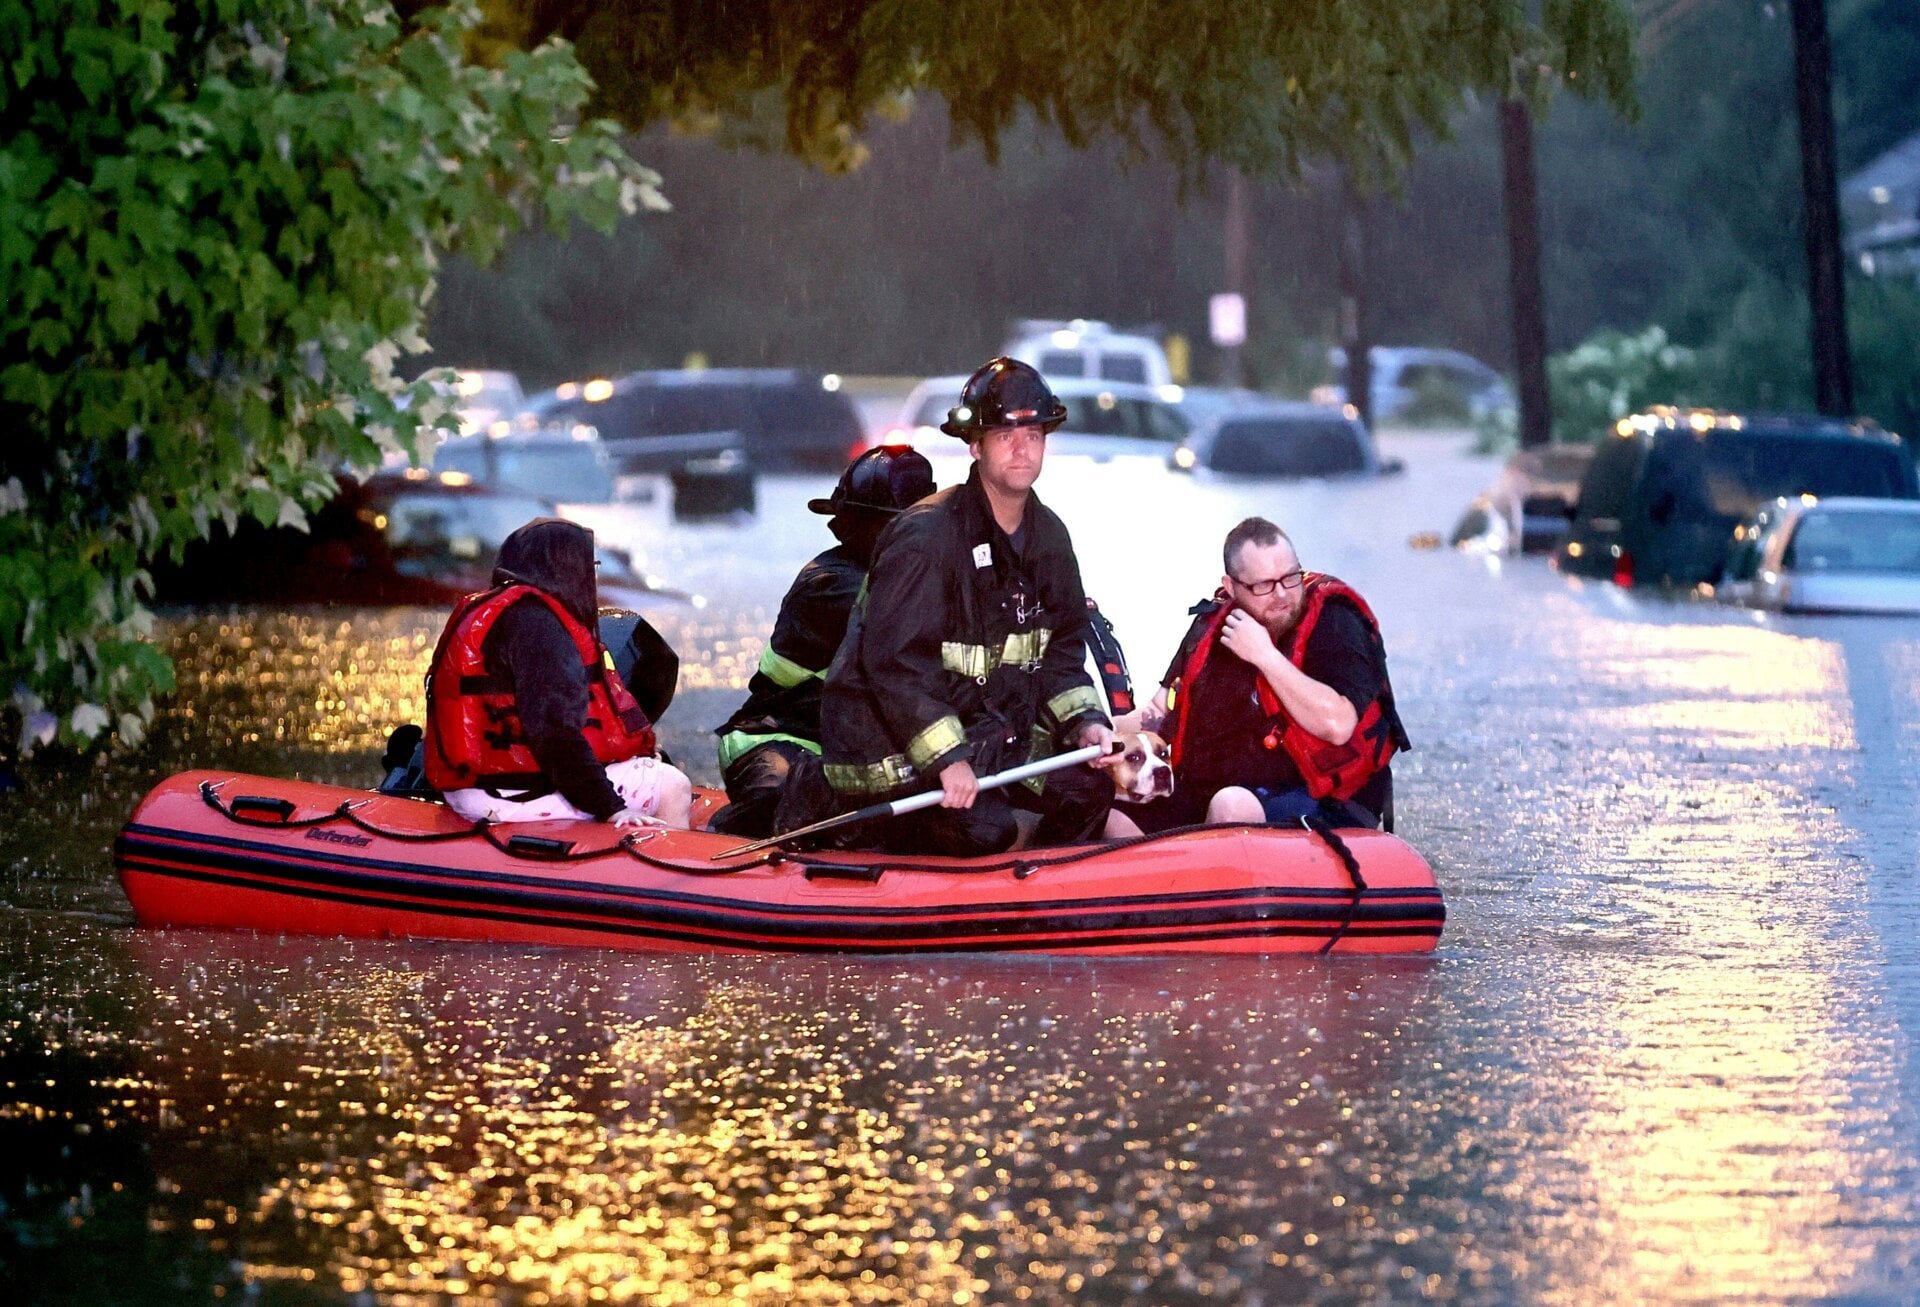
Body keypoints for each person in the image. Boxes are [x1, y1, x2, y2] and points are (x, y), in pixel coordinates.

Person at [778, 357, 1116, 854]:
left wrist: (1085, 724)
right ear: (975, 445)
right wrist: (948, 758)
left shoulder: (1050, 539)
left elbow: (1061, 653)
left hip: (987, 739)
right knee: (984, 828)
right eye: (1005, 435)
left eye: (1034, 435)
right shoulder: (926, 537)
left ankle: (1038, 896)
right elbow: (894, 665)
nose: (1022, 448)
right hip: (890, 751)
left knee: (1086, 792)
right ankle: (840, 822)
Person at [1110, 516, 1408, 835]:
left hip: (1317, 798)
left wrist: (1264, 655)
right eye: (1263, 585)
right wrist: (1094, 729)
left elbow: (1338, 725)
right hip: (1208, 790)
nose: (1281, 595)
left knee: (1231, 804)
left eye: (1290, 578)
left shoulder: (1335, 624)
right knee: (1111, 815)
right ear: (1231, 587)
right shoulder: (1210, 626)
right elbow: (1159, 712)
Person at [707, 445, 937, 837]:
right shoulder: (832, 585)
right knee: (789, 799)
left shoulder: (915, 577)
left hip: (856, 753)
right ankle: (716, 842)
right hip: (781, 738)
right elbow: (908, 624)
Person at [422, 517, 692, 828]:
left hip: (473, 787)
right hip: (509, 794)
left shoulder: (503, 613)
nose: (592, 574)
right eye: (590, 565)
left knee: (642, 764)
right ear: (565, 568)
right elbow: (554, 735)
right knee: (673, 785)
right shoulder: (541, 629)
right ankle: (659, 871)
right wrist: (612, 808)